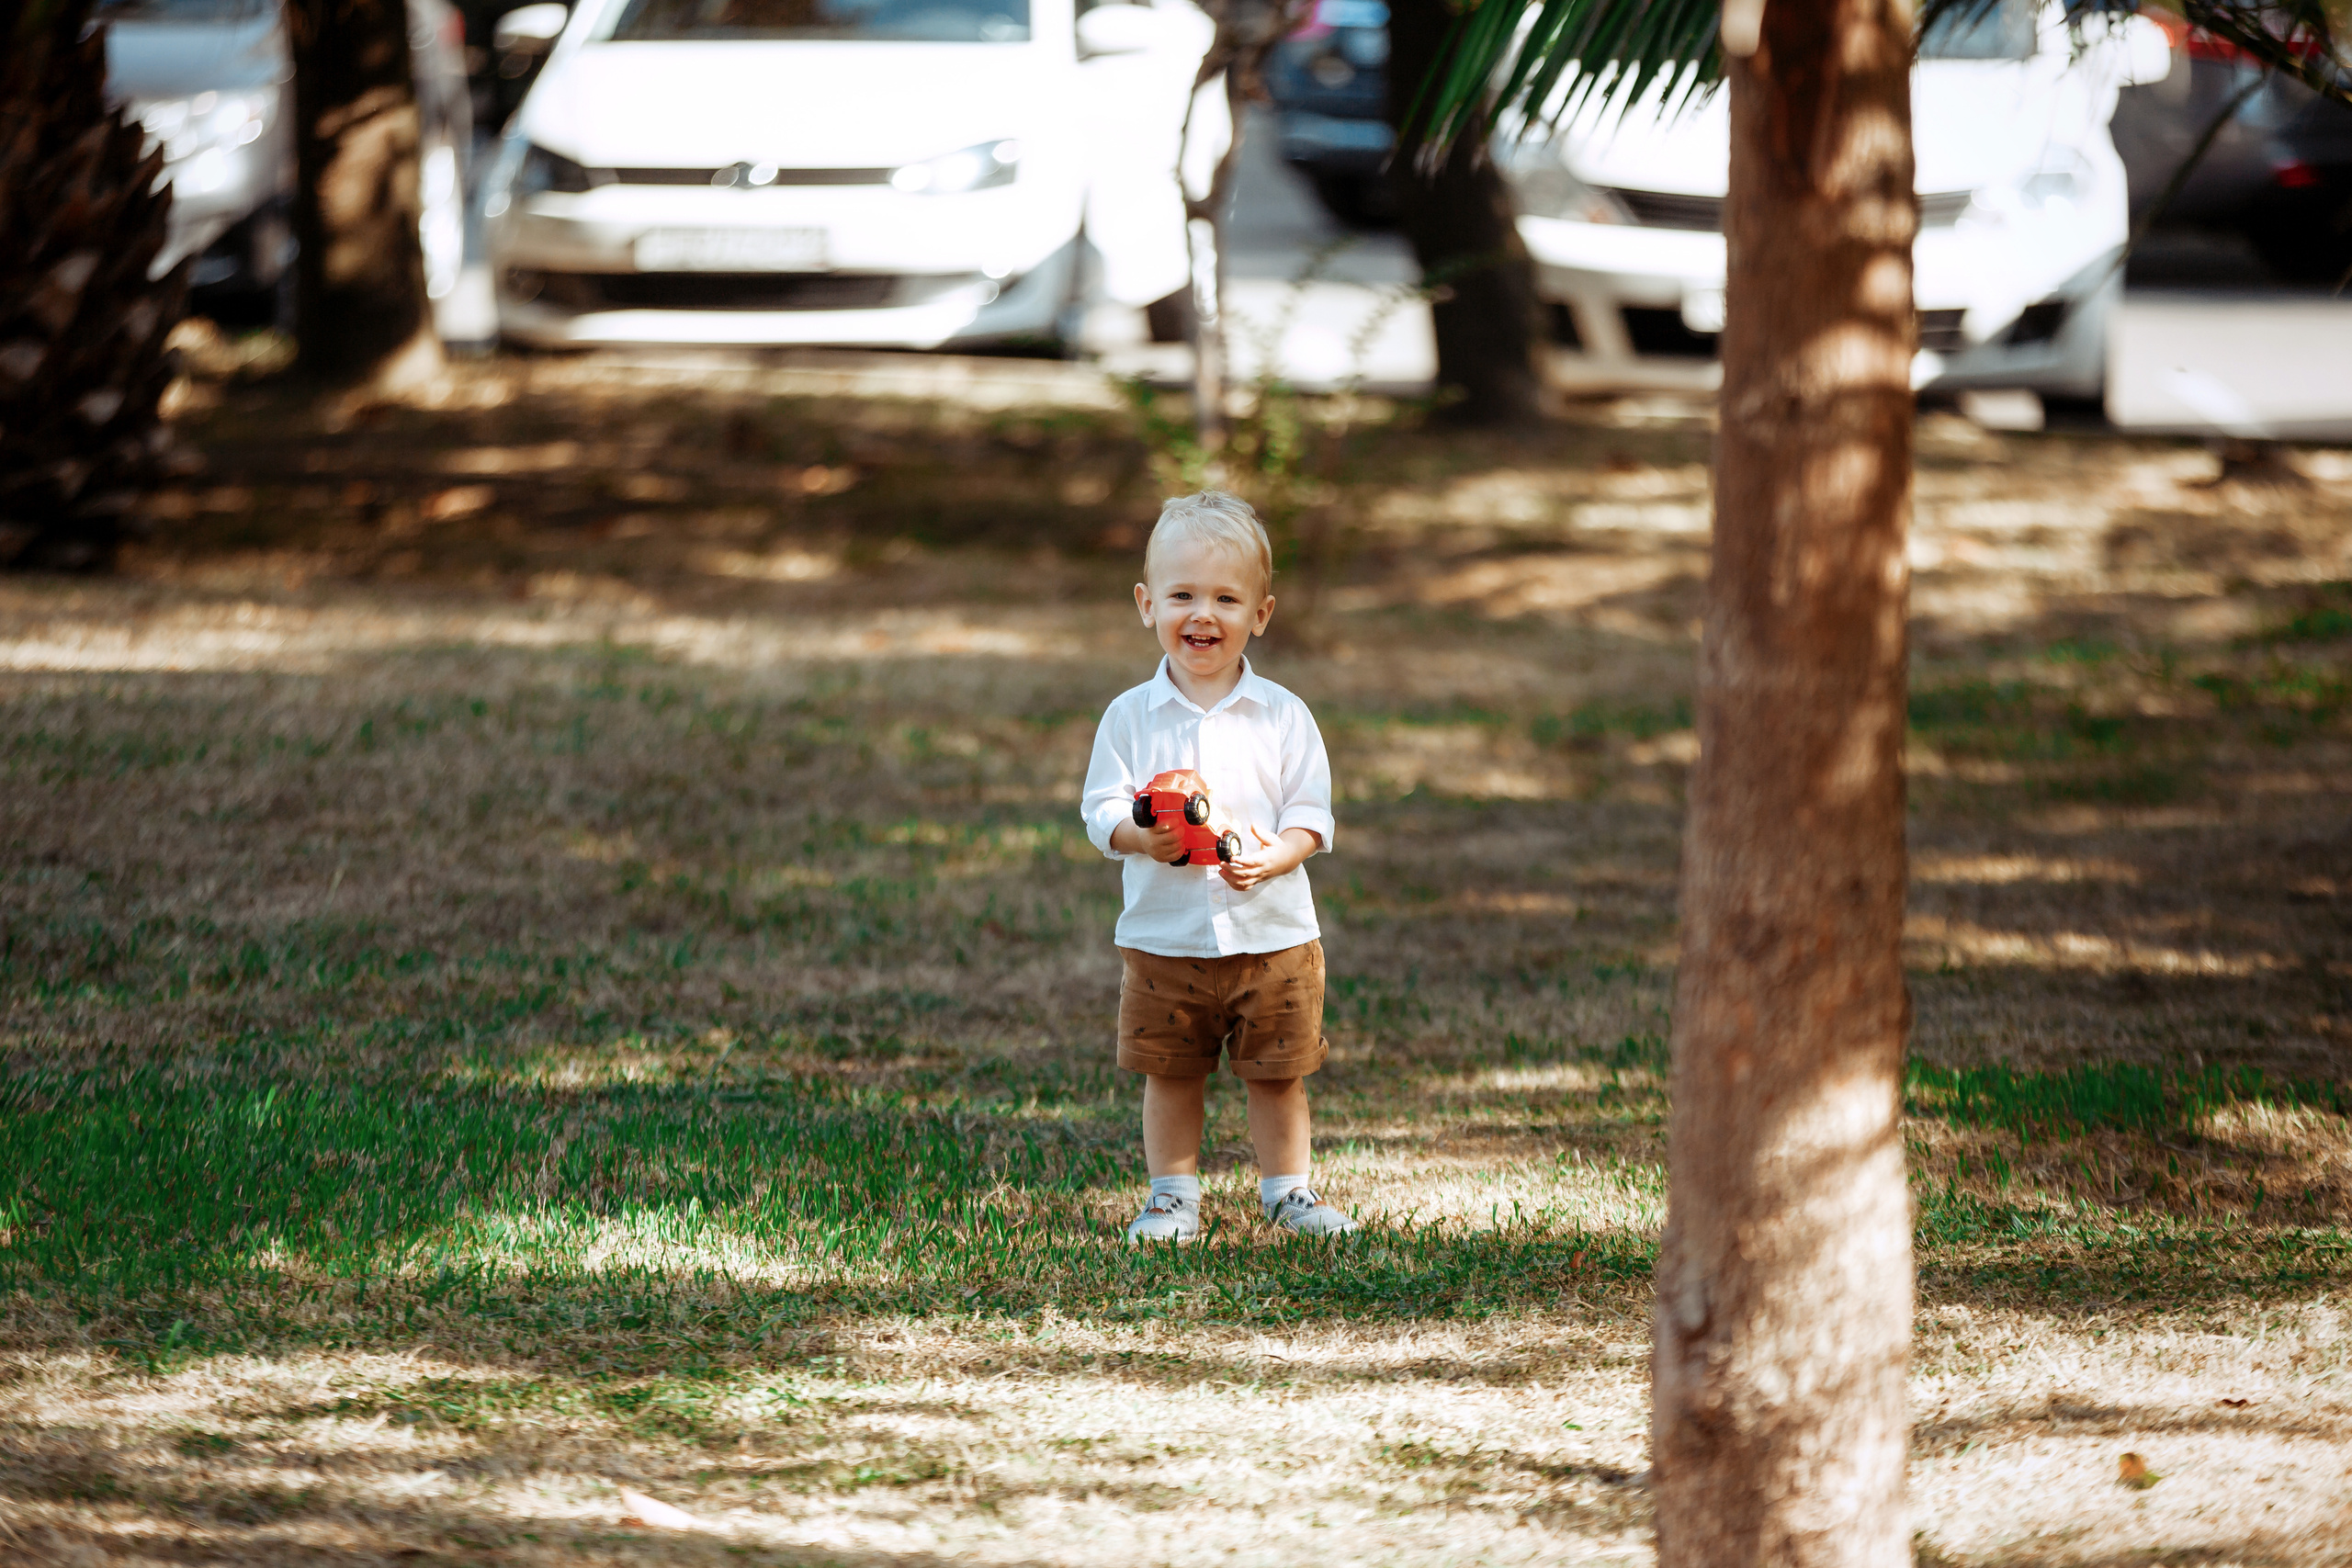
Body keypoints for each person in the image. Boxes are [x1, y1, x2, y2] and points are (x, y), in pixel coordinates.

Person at [1080, 491, 1360, 1244]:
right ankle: (1172, 1197)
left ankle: (1288, 1192)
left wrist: (1277, 854)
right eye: (1182, 595)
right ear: (1147, 604)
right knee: (1171, 1070)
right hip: (1165, 937)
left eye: (1226, 599)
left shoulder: (1283, 714)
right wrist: (1139, 836)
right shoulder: (1129, 717)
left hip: (1273, 935)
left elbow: (1312, 814)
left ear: (1260, 614)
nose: (1202, 614)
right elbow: (1101, 807)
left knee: (1278, 1071)